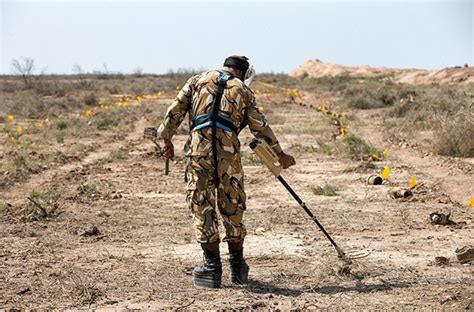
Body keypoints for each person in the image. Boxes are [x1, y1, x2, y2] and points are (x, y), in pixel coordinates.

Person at [157, 55, 296, 288]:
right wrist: (280, 155)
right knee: (233, 205)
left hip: (198, 153)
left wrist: (166, 139)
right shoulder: (243, 90)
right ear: (241, 72)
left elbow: (174, 113)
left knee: (202, 205)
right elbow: (259, 126)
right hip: (228, 156)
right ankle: (238, 266)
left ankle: (211, 268)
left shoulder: (196, 81)